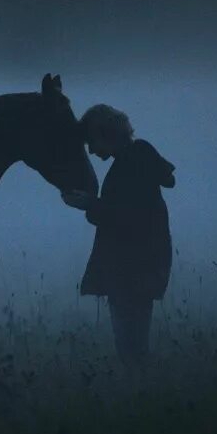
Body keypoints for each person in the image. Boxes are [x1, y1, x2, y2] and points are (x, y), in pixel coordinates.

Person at [62, 104, 175, 370]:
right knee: (133, 345)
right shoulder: (136, 159)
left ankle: (145, 395)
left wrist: (90, 204)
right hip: (140, 265)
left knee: (131, 348)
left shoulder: (132, 162)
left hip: (132, 268)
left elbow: (127, 217)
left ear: (106, 134)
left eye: (92, 141)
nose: (91, 150)